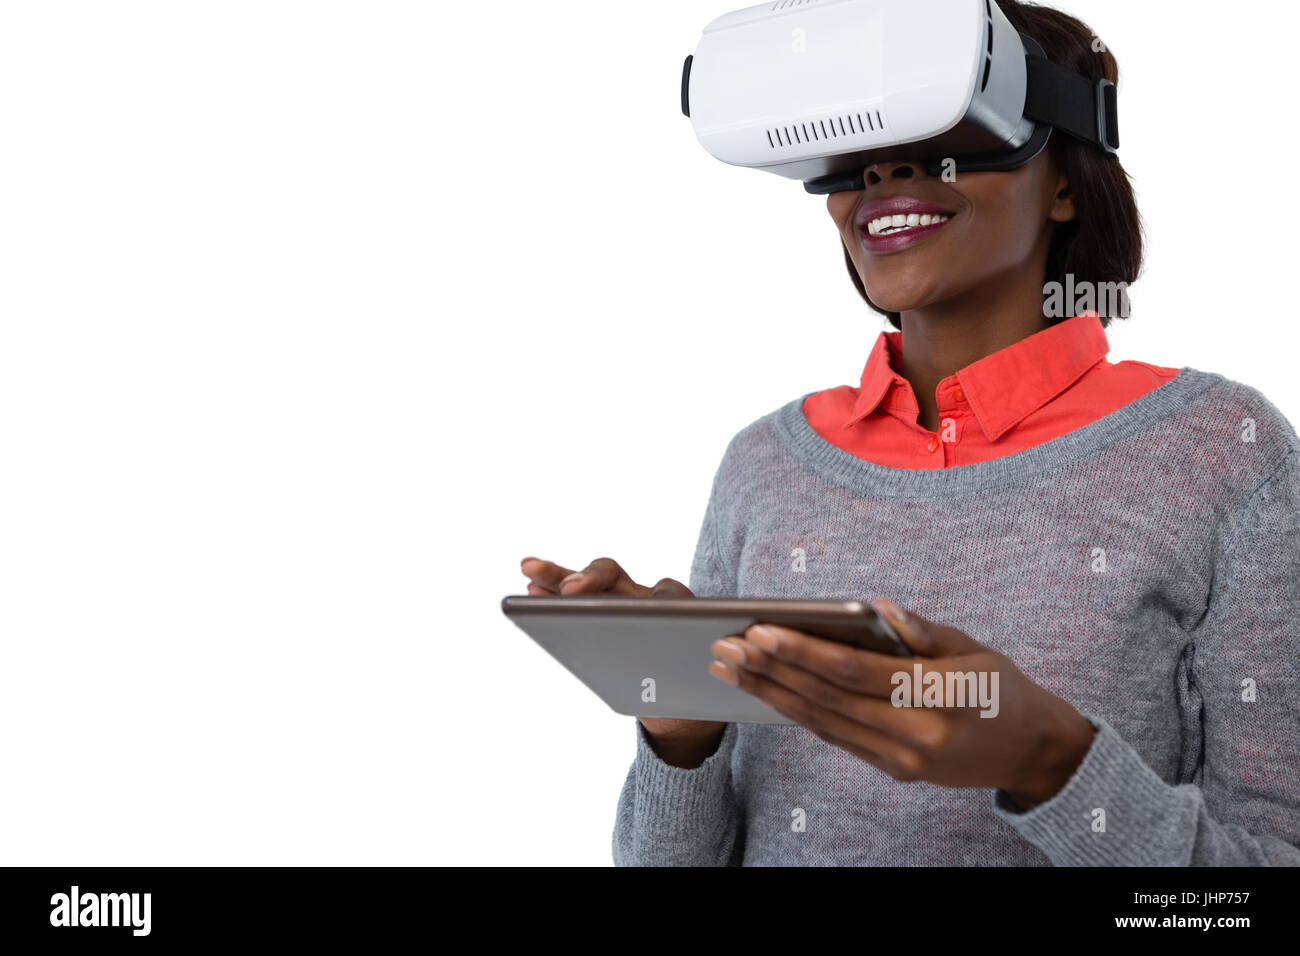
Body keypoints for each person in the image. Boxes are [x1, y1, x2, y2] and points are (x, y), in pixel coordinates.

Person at [519, 0, 1300, 865]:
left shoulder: (1220, 453)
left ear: (1069, 181)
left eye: (948, 126)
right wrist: (681, 733)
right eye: (858, 147)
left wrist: (1047, 760)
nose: (888, 168)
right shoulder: (765, 465)